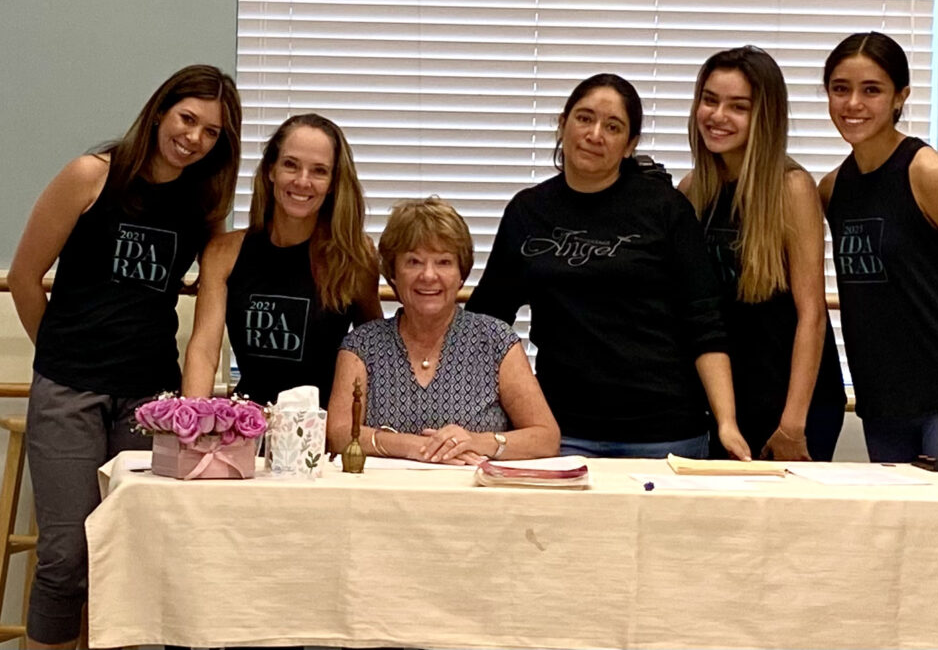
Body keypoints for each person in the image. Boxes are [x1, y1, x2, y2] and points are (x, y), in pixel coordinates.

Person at [7, 64, 242, 648]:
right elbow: (26, 278)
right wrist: (60, 353)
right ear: (161, 110)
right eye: (188, 119)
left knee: (128, 554)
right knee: (65, 555)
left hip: (147, 400)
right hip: (69, 390)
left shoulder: (202, 206)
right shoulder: (92, 174)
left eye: (211, 132)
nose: (194, 138)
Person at [466, 73, 750, 460]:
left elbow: (705, 324)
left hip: (665, 434)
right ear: (562, 124)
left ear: (630, 144)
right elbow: (487, 322)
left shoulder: (666, 209)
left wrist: (727, 422)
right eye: (584, 119)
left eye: (613, 126)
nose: (595, 134)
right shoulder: (527, 211)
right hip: (561, 432)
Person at [819, 31, 938, 471]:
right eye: (840, 89)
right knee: (900, 538)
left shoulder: (928, 173)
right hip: (882, 401)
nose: (853, 105)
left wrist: (933, 350)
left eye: (872, 90)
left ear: (900, 97)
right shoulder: (831, 190)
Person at [679, 46, 847, 461]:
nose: (718, 116)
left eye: (738, 106)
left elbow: (812, 314)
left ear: (765, 117)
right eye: (710, 100)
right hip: (723, 405)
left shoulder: (792, 189)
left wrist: (793, 423)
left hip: (792, 404)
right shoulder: (690, 192)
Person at [326, 198, 560, 463]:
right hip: (383, 499)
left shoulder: (496, 340)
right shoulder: (361, 345)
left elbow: (546, 437)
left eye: (444, 262)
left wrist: (475, 442)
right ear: (392, 273)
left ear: (462, 274)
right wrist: (413, 447)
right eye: (413, 262)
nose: (428, 275)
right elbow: (338, 433)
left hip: (477, 498)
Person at [182, 113, 382, 406]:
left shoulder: (355, 255)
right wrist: (192, 422)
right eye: (290, 165)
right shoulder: (224, 252)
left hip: (321, 431)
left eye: (319, 171)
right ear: (270, 170)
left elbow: (374, 347)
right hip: (246, 426)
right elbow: (204, 350)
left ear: (333, 183)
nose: (302, 181)